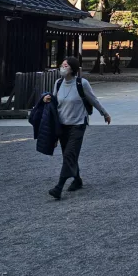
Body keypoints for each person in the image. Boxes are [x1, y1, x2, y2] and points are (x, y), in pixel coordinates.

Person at [44, 56, 111, 199]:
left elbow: (93, 99)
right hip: (62, 124)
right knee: (69, 154)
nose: (63, 68)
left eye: (66, 65)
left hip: (78, 124)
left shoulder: (82, 83)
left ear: (73, 68)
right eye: (62, 65)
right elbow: (55, 102)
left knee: (69, 154)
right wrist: (47, 98)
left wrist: (104, 113)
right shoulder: (58, 83)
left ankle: (59, 187)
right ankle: (77, 180)